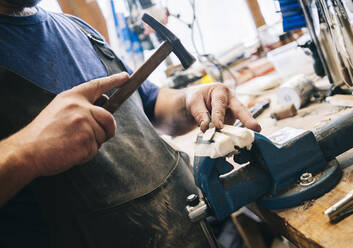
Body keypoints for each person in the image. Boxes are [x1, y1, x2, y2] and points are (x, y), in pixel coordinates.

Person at [0, 0, 261, 247]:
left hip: (192, 228)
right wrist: (27, 149)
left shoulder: (76, 29)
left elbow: (149, 105)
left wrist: (191, 99)